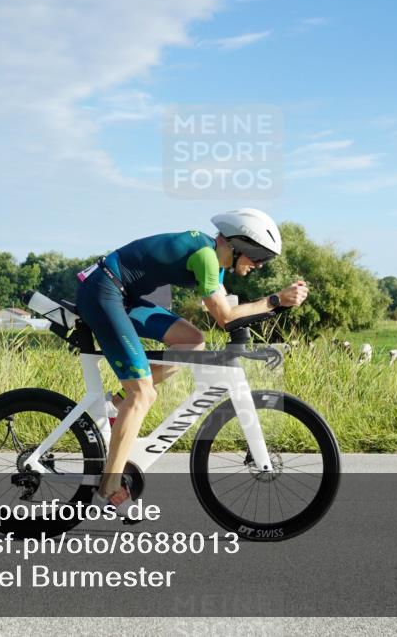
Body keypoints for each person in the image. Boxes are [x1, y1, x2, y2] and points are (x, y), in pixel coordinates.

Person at [75, 208, 309, 517]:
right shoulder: (206, 258)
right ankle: (109, 487)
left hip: (122, 294)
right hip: (102, 292)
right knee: (143, 394)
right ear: (243, 245)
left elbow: (229, 313)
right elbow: (225, 317)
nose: (259, 266)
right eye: (259, 258)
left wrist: (269, 310)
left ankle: (116, 405)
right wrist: (275, 300)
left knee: (192, 343)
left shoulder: (215, 261)